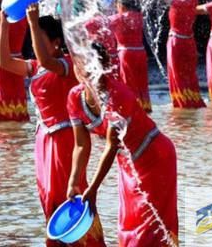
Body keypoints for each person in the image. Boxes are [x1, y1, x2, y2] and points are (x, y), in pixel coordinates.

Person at [0, 4, 105, 246]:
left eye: (40, 39)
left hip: (64, 140)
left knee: (67, 195)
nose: (34, 43)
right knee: (47, 196)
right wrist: (4, 23)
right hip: (43, 142)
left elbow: (45, 58)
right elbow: (4, 61)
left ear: (56, 42)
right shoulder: (33, 67)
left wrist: (33, 23)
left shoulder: (64, 63)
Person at [66, 44, 178, 246]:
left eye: (86, 63)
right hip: (128, 164)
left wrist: (93, 188)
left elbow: (111, 146)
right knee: (129, 226)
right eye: (77, 63)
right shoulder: (74, 97)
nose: (80, 68)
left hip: (155, 158)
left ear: (101, 67)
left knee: (150, 230)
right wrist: (74, 182)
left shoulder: (118, 95)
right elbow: (81, 145)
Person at [155, 0, 206, 109]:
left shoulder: (175, 3)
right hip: (189, 42)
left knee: (177, 74)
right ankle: (192, 101)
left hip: (176, 43)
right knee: (189, 74)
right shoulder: (193, 1)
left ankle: (181, 104)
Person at [109, 0, 151, 112]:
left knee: (129, 83)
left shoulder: (118, 18)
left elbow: (94, 25)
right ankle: (145, 110)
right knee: (141, 83)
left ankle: (131, 111)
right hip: (141, 53)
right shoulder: (139, 16)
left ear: (121, 6)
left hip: (126, 54)